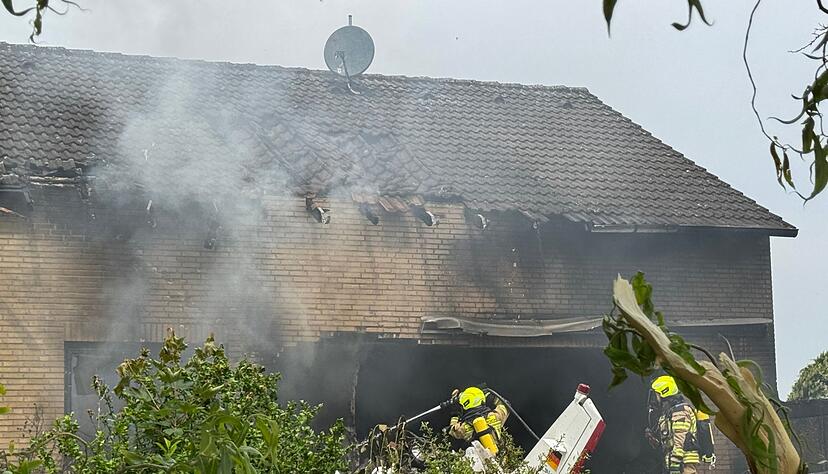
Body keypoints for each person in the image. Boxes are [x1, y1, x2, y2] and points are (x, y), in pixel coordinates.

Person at [650, 375, 700, 474]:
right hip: (675, 461)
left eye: (656, 394)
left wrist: (675, 463)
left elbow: (680, 438)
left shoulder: (680, 411)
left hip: (683, 464)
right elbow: (669, 439)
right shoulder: (670, 412)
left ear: (664, 392)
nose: (655, 398)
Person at [447, 386, 509, 454]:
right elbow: (505, 405)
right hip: (499, 459)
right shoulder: (495, 416)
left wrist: (454, 413)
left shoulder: (463, 427)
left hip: (480, 462)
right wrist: (491, 397)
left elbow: (451, 430)